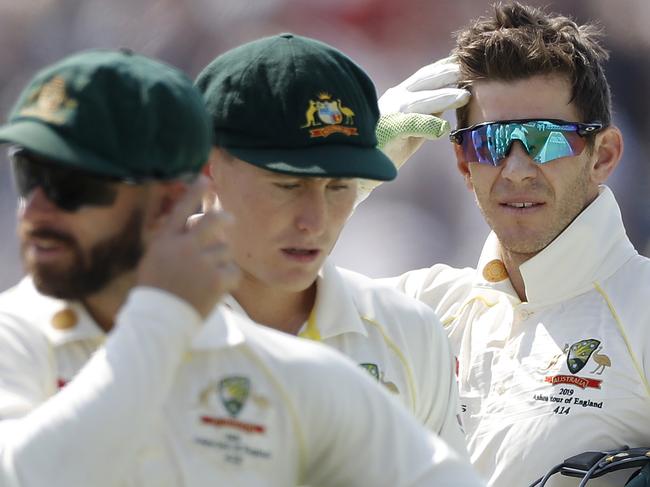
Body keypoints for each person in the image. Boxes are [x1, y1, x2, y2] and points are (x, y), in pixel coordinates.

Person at [0, 49, 484, 486]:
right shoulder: (24, 328)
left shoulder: (302, 369)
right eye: (29, 175)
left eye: (338, 185)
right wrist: (162, 318)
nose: (34, 211)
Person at [369, 2, 650, 486]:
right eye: (490, 142)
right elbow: (223, 305)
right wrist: (346, 172)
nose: (516, 170)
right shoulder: (423, 307)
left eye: (545, 139)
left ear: (603, 156)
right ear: (463, 163)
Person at [194, 32, 468, 456]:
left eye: (340, 186)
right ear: (207, 169)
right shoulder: (112, 317)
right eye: (287, 185)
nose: (315, 222)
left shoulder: (408, 334)